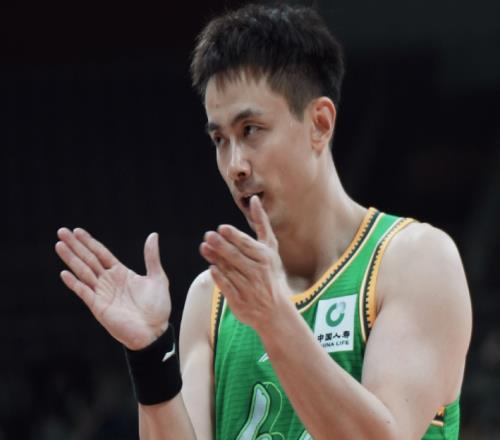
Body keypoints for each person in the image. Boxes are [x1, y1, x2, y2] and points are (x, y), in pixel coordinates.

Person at [55, 3, 472, 439]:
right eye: (220, 139)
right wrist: (149, 354)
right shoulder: (212, 297)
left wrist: (276, 320)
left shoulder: (415, 261)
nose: (234, 165)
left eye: (251, 130)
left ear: (319, 124)